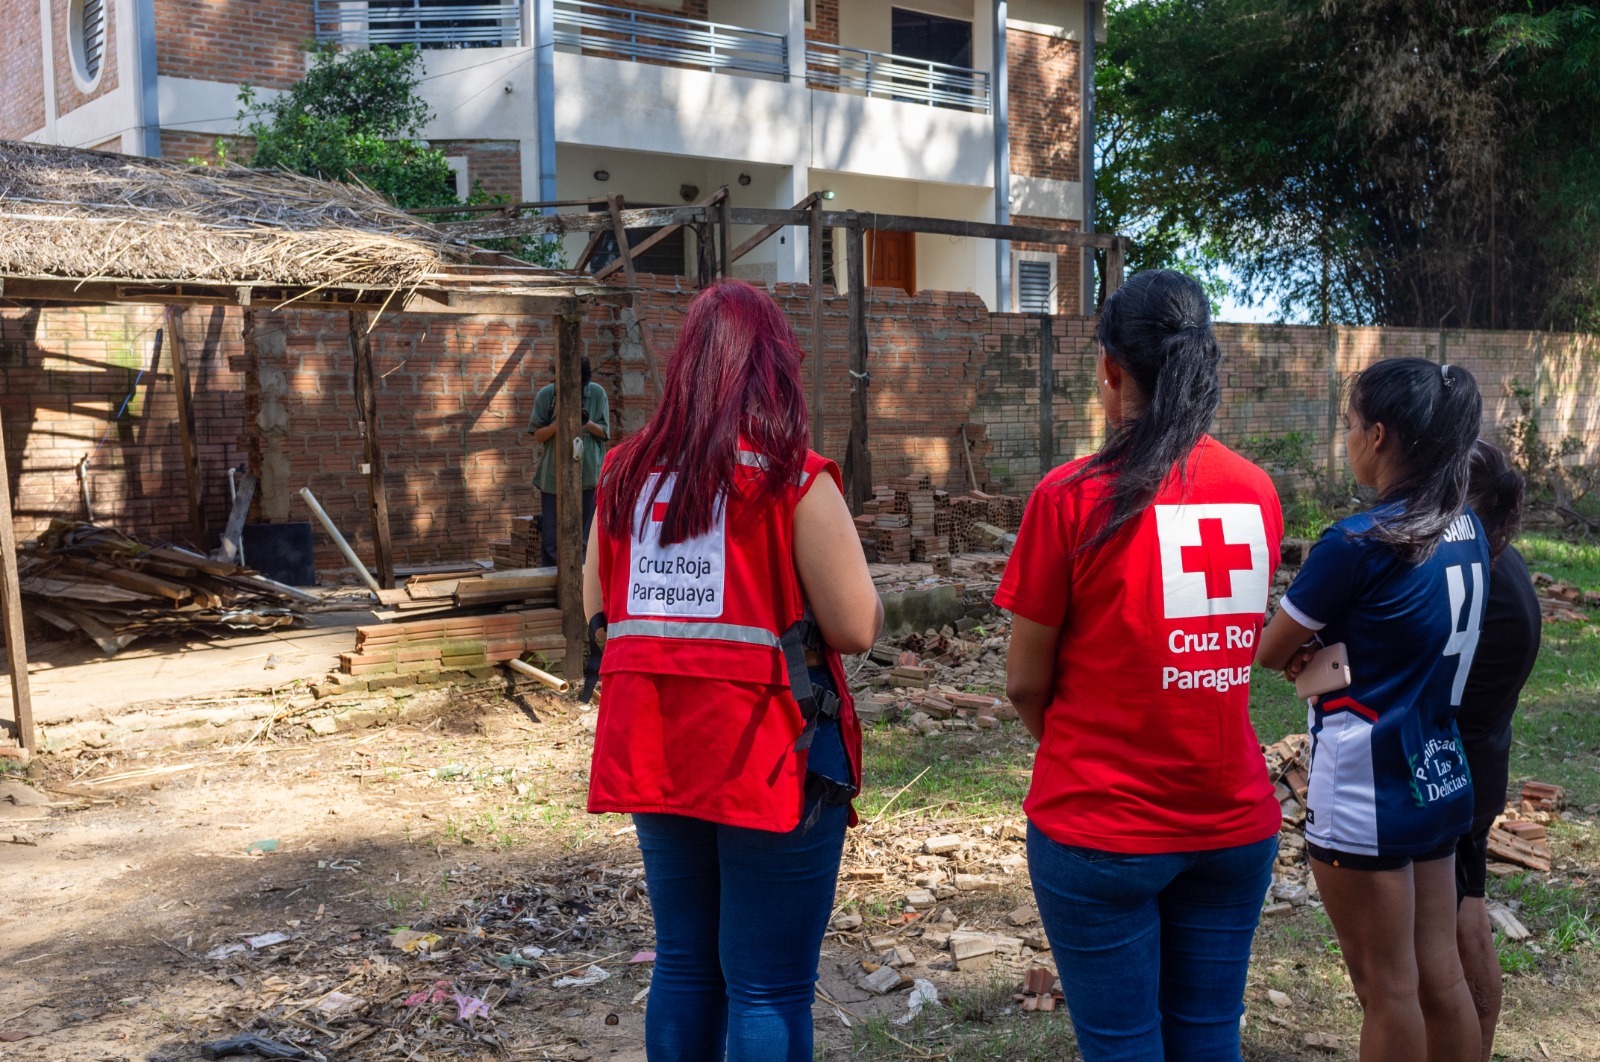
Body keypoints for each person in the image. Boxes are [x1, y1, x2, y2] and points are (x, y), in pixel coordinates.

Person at [582, 280, 882, 1062]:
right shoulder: (792, 482)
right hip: (770, 756)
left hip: (660, 751)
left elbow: (600, 612)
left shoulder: (622, 476)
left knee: (684, 961)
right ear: (776, 370)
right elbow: (854, 626)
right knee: (767, 987)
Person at [997, 269, 1284, 1061]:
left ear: (1110, 371)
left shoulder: (1070, 496)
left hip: (1101, 831)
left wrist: (1077, 743)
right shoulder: (1256, 492)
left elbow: (1025, 680)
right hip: (1232, 822)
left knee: (1122, 1046)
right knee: (1207, 1040)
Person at [1258, 357, 1488, 1062]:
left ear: (1380, 435)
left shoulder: (1357, 543)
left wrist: (1313, 643)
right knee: (1438, 974)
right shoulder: (1465, 528)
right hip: (1440, 772)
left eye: (1351, 424)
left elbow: (1272, 650)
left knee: (1385, 990)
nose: (1347, 436)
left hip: (1368, 787)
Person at [1454, 440, 1541, 1061]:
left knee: (1435, 949)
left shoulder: (1480, 573)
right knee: (1467, 913)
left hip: (1453, 774)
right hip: (1479, 765)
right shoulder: (1496, 560)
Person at [528, 354, 609, 566]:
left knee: (585, 537)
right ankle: (553, 590)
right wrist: (558, 423)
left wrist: (586, 422)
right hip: (554, 477)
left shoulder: (597, 393)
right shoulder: (547, 395)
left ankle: (582, 587)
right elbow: (537, 435)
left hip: (588, 475)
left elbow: (604, 432)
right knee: (551, 539)